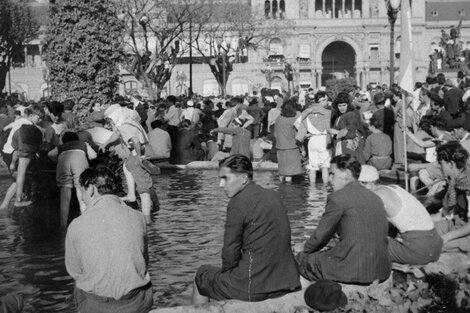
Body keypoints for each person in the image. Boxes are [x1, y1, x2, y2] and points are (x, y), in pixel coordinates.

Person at [192, 154, 300, 304]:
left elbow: (230, 251)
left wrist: (228, 275)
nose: (221, 185)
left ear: (243, 178)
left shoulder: (238, 202)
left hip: (254, 286)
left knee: (201, 275)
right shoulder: (273, 195)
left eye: (225, 178)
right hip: (285, 281)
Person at [65, 166, 153, 313]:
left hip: (96, 306)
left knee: (80, 284)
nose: (82, 198)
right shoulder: (138, 217)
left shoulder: (76, 225)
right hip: (135, 303)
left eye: (82, 191)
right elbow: (144, 263)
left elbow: (74, 271)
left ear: (92, 189)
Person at [294, 154, 391, 284]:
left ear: (346, 174)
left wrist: (303, 248)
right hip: (381, 269)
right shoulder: (375, 197)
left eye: (332, 174)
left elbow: (320, 236)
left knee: (300, 258)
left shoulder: (338, 198)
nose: (329, 179)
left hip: (353, 271)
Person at [358, 165, 443, 265]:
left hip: (420, 250)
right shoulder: (393, 188)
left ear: (369, 185)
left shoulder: (376, 196)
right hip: (434, 244)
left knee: (363, 243)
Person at [48, 131, 97, 228]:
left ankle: (63, 225)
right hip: (79, 161)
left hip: (64, 162)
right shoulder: (83, 144)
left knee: (64, 197)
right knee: (81, 192)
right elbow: (94, 155)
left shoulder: (61, 147)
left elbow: (50, 154)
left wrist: (56, 161)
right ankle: (85, 222)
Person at [0, 105, 43, 209]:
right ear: (32, 115)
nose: (40, 120)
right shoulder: (27, 126)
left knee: (17, 180)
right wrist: (14, 162)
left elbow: (8, 127)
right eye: (39, 117)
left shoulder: (21, 120)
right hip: (14, 152)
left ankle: (4, 206)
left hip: (8, 151)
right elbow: (22, 147)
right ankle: (18, 200)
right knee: (22, 174)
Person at [434, 142, 470, 252]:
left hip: (467, 229)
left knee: (432, 247)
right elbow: (448, 213)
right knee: (422, 233)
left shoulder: (467, 183)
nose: (439, 167)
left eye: (441, 164)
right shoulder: (455, 181)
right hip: (459, 222)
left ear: (450, 164)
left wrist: (446, 237)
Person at [295, 91, 332, 184]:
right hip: (324, 139)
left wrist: (306, 133)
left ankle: (312, 191)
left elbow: (296, 123)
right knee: (325, 167)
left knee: (312, 167)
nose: (326, 102)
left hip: (312, 140)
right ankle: (325, 191)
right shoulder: (328, 112)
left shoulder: (307, 111)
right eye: (325, 100)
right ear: (320, 101)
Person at [330, 92, 365, 163]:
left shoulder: (350, 114)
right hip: (343, 146)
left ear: (348, 105)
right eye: (340, 106)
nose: (342, 107)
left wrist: (336, 132)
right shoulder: (339, 116)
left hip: (350, 147)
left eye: (344, 105)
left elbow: (351, 134)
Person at [274, 99, 302, 182]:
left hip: (280, 147)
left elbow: (276, 133)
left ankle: (282, 190)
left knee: (282, 172)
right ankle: (288, 191)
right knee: (289, 174)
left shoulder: (278, 118)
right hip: (291, 148)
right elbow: (300, 132)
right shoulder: (293, 120)